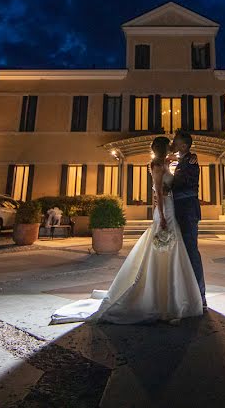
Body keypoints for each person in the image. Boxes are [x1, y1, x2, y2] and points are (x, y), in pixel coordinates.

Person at [50, 136, 203, 324]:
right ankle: (164, 295)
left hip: (176, 210)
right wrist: (161, 215)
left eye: (176, 144)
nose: (173, 146)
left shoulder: (177, 162)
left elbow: (178, 181)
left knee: (179, 250)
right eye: (170, 146)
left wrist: (170, 163)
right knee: (165, 249)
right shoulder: (158, 165)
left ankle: (178, 293)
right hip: (166, 211)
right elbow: (158, 193)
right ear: (164, 149)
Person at [169, 130, 207, 308]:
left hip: (188, 210)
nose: (173, 143)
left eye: (175, 141)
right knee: (183, 251)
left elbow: (187, 187)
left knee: (191, 251)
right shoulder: (182, 161)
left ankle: (200, 296)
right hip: (180, 209)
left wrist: (167, 186)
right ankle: (187, 293)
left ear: (183, 145)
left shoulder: (191, 161)